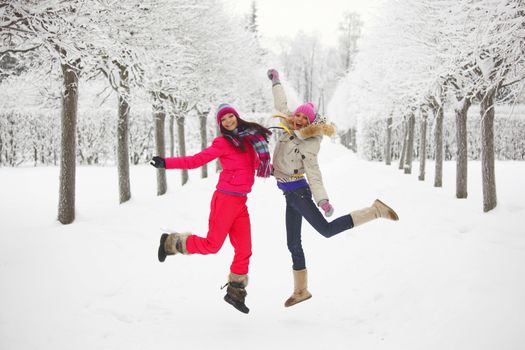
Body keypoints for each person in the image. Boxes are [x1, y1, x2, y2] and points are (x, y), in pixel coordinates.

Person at [266, 69, 399, 307]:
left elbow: (314, 174)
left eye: (304, 120)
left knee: (326, 231)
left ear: (309, 124)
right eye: (298, 116)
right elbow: (280, 102)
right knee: (293, 243)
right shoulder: (286, 124)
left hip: (299, 193)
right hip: (289, 195)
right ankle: (301, 291)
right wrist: (276, 81)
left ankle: (375, 211)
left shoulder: (309, 143)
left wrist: (322, 200)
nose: (298, 120)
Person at [150, 103, 272, 314]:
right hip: (225, 200)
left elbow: (258, 167)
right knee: (212, 245)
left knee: (244, 249)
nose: (228, 121)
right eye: (223, 120)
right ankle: (170, 242)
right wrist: (166, 163)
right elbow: (196, 161)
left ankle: (235, 292)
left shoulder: (250, 141)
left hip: (241, 202)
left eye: (230, 117)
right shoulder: (223, 142)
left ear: (236, 116)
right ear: (220, 125)